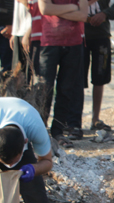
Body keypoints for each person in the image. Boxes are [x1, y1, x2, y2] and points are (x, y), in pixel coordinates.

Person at [37, 0, 88, 142]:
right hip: (50, 42)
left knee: (66, 90)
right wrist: (72, 7)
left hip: (74, 43)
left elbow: (83, 15)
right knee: (44, 89)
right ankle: (40, 130)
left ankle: (58, 131)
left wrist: (57, 9)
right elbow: (45, 8)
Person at [85, 0, 114, 131]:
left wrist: (106, 14)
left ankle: (95, 118)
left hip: (101, 33)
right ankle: (73, 120)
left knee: (100, 77)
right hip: (78, 34)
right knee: (76, 78)